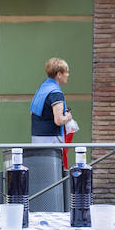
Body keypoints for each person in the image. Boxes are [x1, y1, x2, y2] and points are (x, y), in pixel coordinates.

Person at [28, 56, 75, 211]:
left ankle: (39, 207)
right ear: (59, 74)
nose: (68, 75)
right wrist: (69, 116)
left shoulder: (42, 89)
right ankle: (54, 209)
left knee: (40, 176)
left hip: (37, 139)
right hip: (52, 140)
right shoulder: (56, 93)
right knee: (53, 177)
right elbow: (58, 120)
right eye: (66, 72)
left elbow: (33, 113)